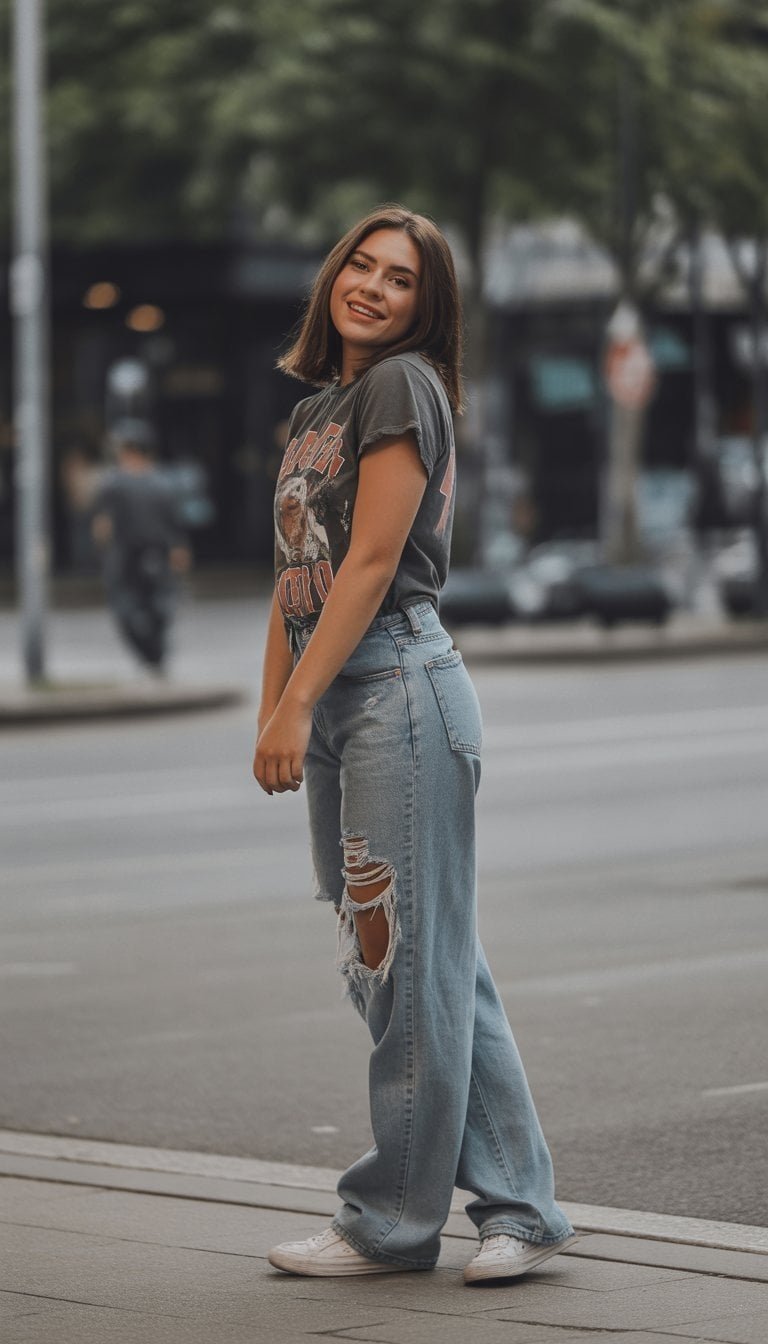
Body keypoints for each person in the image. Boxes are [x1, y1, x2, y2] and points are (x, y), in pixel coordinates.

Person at [254, 205, 576, 1284]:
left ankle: (392, 1222)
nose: (374, 287)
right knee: (413, 965)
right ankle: (521, 1206)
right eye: (363, 263)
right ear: (333, 272)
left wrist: (302, 705)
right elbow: (292, 579)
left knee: (402, 964)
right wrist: (275, 707)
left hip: (394, 682)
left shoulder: (400, 385)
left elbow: (373, 561)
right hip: (343, 694)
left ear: (422, 309)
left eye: (402, 280)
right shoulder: (316, 410)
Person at [91, 419, 190, 672]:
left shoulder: (117, 482)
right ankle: (154, 657)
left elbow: (102, 524)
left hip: (135, 555)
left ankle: (153, 657)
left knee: (142, 609)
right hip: (140, 555)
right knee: (147, 609)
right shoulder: (160, 482)